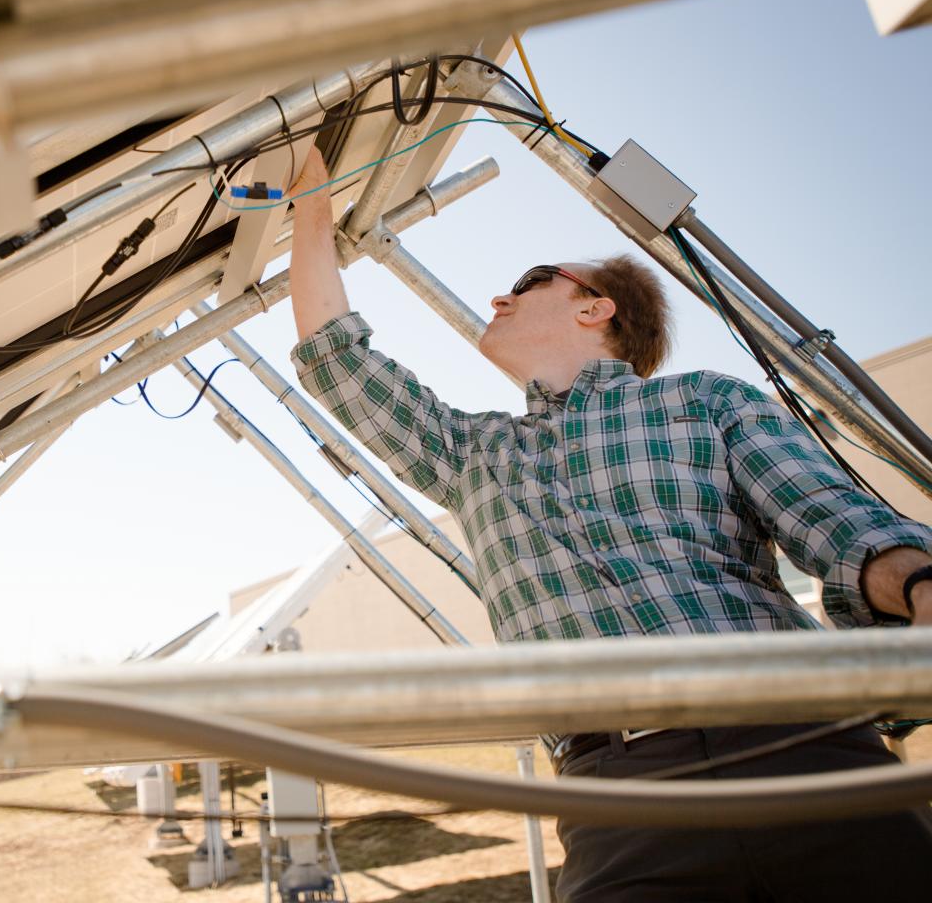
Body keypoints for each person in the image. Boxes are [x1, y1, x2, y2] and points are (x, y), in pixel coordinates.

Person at [286, 145, 932, 900]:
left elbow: (835, 520)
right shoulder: (471, 454)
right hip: (617, 796)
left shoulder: (705, 401)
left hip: (803, 748)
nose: (499, 298)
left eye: (529, 282)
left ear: (598, 308)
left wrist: (920, 585)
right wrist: (310, 204)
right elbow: (336, 358)